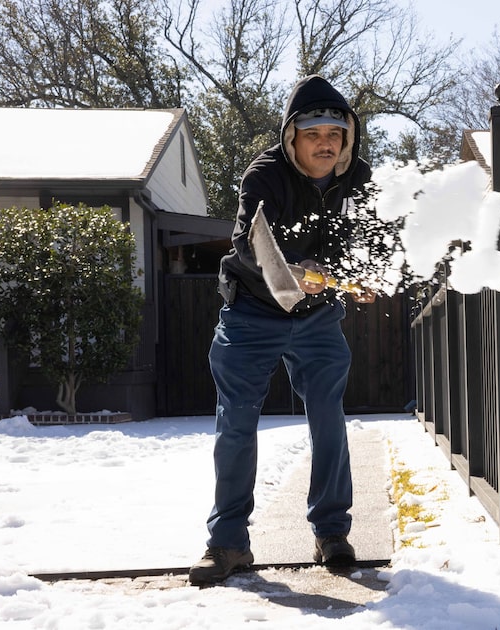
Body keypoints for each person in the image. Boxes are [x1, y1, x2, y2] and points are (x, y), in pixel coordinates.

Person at [189, 75, 374, 586]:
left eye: (335, 134)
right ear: (292, 136)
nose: (325, 143)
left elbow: (370, 236)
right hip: (252, 311)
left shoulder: (357, 177)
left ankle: (332, 533)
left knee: (329, 418)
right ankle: (227, 543)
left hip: (317, 319)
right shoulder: (263, 175)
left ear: (347, 138)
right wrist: (292, 271)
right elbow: (250, 243)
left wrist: (367, 273)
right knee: (237, 422)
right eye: (313, 133)